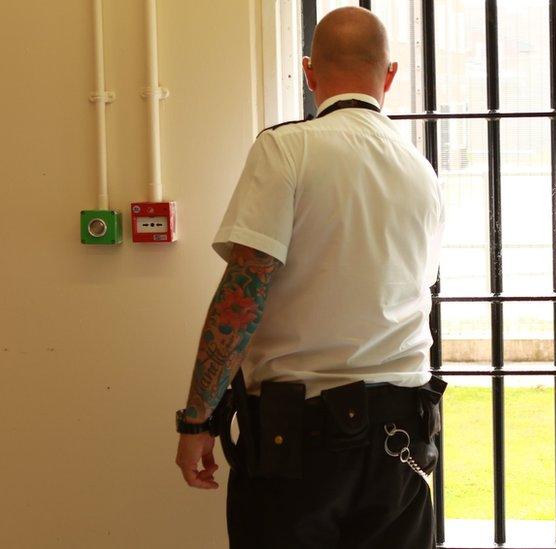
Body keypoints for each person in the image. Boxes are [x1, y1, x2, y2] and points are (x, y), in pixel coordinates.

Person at [173, 7, 445, 548]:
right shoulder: (420, 171)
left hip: (300, 438)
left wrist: (197, 420)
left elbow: (243, 294)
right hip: (403, 435)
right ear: (388, 74)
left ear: (309, 72)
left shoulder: (285, 149)